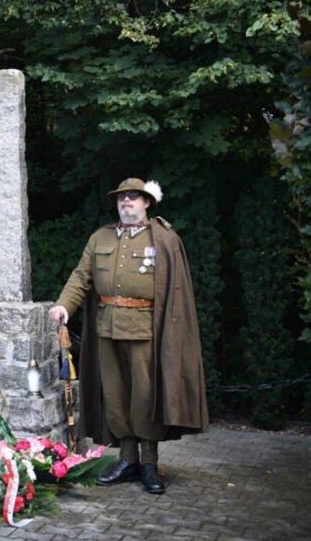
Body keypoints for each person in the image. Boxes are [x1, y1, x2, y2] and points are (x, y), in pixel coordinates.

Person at [47, 178, 208, 495]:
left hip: (147, 331)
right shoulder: (101, 237)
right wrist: (64, 305)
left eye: (133, 197)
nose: (126, 201)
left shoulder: (163, 238)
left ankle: (149, 463)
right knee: (116, 397)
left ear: (147, 202)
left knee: (146, 397)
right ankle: (127, 459)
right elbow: (82, 276)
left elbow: (177, 289)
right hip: (107, 329)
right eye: (122, 197)